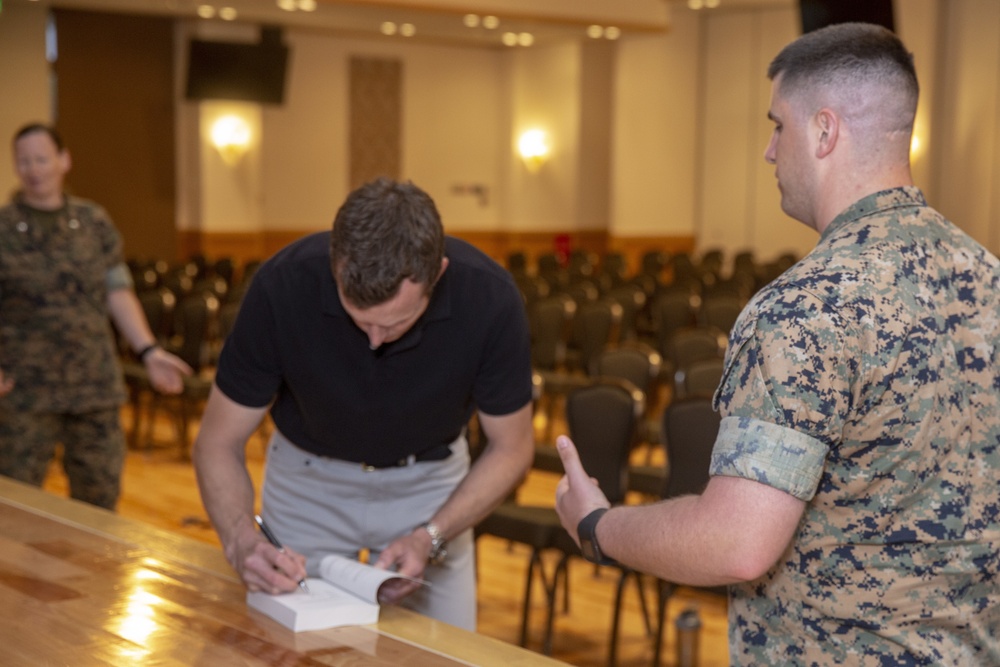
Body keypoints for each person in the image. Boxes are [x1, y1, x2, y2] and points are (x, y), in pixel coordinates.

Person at [555, 22, 1000, 665]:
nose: (769, 151)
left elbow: (735, 542)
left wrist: (598, 526)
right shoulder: (987, 276)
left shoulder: (805, 306)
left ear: (824, 132)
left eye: (778, 126)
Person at [192, 177, 534, 630]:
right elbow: (217, 442)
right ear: (335, 265)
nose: (374, 340)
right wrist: (239, 540)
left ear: (438, 274)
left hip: (431, 489)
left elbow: (512, 447)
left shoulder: (489, 298)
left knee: (441, 656)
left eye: (395, 323)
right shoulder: (283, 285)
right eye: (358, 320)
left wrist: (431, 535)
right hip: (307, 487)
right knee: (282, 651)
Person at [0, 123, 192, 510]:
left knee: (100, 500)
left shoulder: (93, 222)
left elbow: (117, 293)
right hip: (24, 388)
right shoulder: (3, 226)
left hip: (94, 385)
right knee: (15, 503)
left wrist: (149, 351)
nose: (34, 169)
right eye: (24, 161)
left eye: (42, 158)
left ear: (64, 160)